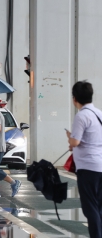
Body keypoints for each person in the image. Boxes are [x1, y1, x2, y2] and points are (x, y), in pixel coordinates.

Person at [66, 81, 102, 238]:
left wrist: (70, 138)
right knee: (99, 206)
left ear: (74, 99)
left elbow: (75, 142)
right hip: (100, 165)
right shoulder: (99, 114)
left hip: (88, 167)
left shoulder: (81, 116)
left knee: (90, 208)